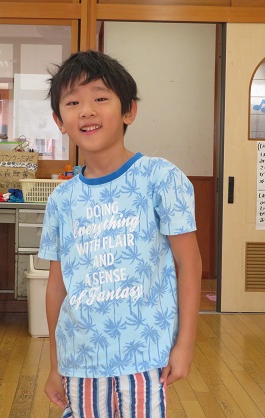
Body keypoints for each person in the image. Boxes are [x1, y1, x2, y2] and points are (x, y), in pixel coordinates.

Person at [38, 50, 202, 418]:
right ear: (59, 121)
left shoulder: (161, 178)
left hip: (145, 355)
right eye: (73, 102)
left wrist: (185, 345)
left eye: (100, 98)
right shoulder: (61, 199)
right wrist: (55, 364)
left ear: (129, 110)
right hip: (80, 358)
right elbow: (56, 287)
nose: (87, 111)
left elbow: (189, 264)